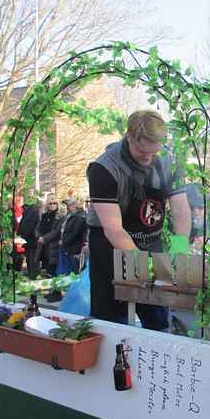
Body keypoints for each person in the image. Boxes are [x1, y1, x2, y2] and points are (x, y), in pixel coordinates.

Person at [86, 110, 191, 330]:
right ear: (129, 137)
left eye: (153, 152)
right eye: (142, 151)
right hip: (109, 247)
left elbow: (180, 209)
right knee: (113, 320)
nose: (148, 158)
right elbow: (113, 229)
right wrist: (144, 265)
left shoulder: (170, 160)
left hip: (151, 238)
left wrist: (180, 248)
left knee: (158, 316)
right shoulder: (103, 167)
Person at [58, 198, 87, 274]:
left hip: (75, 249)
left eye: (69, 205)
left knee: (76, 271)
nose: (67, 207)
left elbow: (75, 233)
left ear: (74, 205)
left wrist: (64, 241)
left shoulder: (80, 216)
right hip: (68, 248)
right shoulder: (69, 216)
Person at [37, 194, 62, 276]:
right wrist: (38, 237)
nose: (52, 205)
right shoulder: (44, 215)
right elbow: (37, 228)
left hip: (54, 246)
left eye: (54, 203)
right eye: (50, 203)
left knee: (53, 270)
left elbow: (57, 231)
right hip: (43, 246)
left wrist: (44, 238)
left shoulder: (59, 216)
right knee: (46, 269)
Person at [18, 198, 41, 278]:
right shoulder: (35, 211)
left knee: (30, 262)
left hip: (28, 241)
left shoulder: (28, 212)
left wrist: (22, 236)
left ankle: (32, 276)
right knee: (34, 263)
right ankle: (34, 277)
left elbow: (22, 227)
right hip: (33, 241)